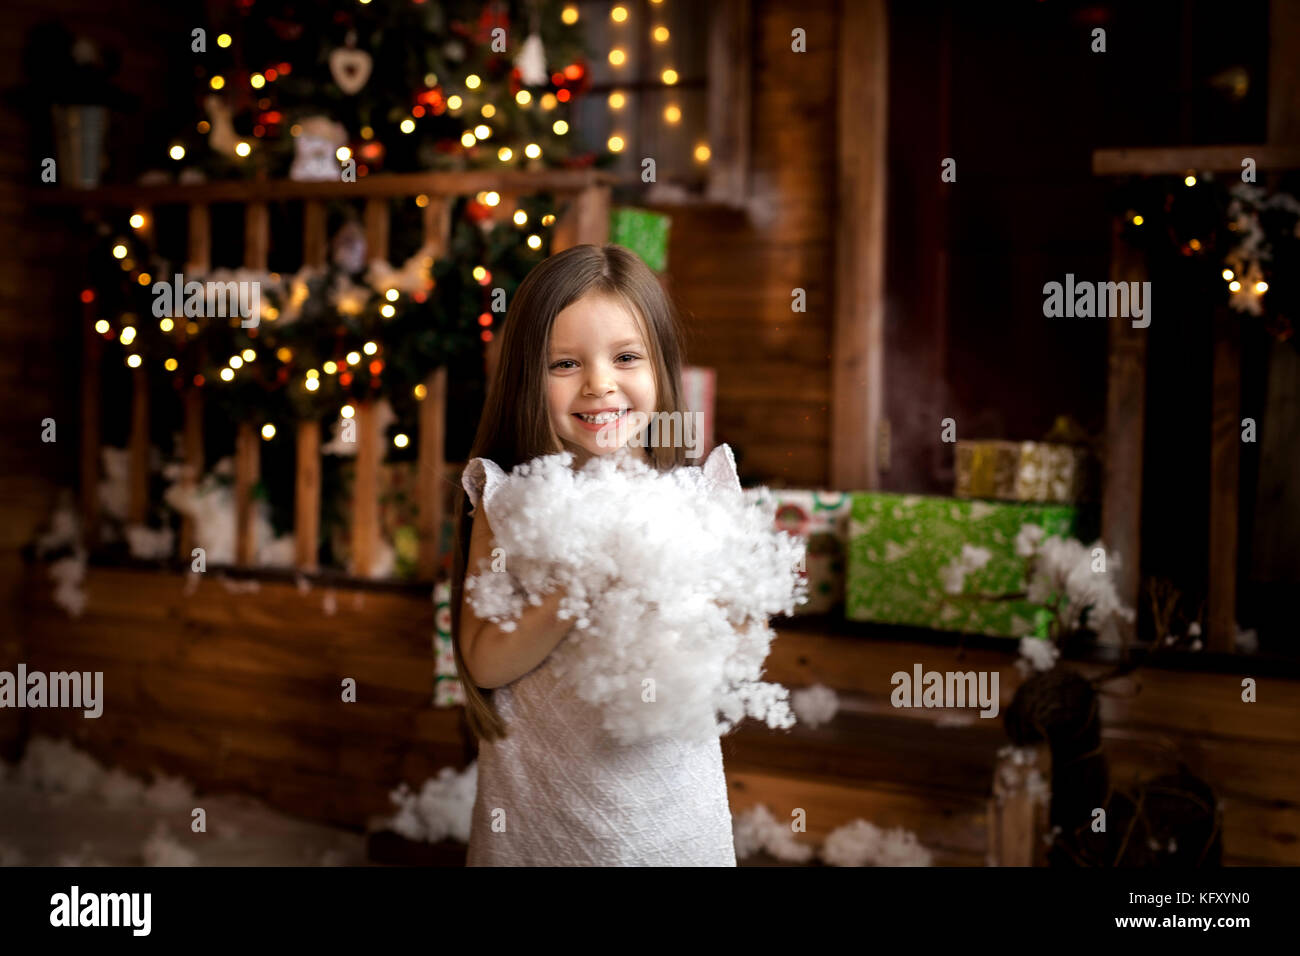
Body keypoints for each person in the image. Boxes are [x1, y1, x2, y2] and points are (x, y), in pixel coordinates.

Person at [451, 243, 739, 866]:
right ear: (528, 375)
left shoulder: (698, 496)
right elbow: (483, 662)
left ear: (663, 368)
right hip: (544, 810)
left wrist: (727, 616)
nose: (600, 384)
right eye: (564, 364)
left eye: (627, 357)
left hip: (670, 808)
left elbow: (736, 651)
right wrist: (572, 595)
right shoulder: (509, 505)